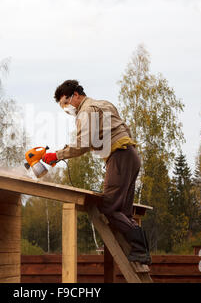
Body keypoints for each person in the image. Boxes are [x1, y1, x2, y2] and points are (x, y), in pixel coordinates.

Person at [42, 80, 151, 265]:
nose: (66, 108)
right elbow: (125, 129)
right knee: (123, 210)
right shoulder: (104, 104)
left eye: (66, 103)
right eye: (62, 106)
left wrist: (57, 155)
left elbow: (83, 144)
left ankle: (141, 248)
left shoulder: (86, 111)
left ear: (76, 95)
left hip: (120, 156)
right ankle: (138, 250)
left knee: (107, 207)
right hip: (131, 155)